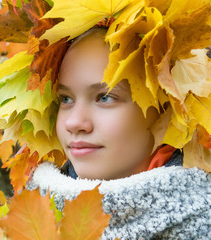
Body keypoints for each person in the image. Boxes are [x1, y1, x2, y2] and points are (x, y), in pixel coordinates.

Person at [26, 27, 211, 239]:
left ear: (170, 107)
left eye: (105, 97)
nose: (74, 122)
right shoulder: (22, 220)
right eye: (66, 99)